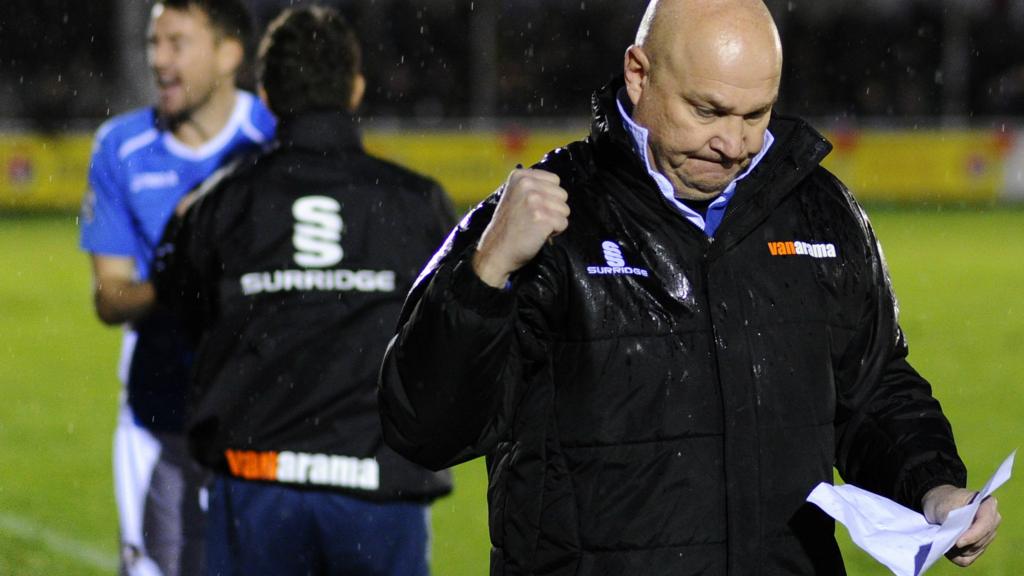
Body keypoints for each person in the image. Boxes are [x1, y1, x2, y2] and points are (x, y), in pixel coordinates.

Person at [378, 0, 1001, 574]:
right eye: (707, 110)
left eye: (756, 115)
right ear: (639, 75)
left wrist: (933, 484)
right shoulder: (541, 219)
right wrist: (485, 275)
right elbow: (425, 429)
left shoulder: (819, 212)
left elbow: (874, 391)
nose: (732, 145)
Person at [151, 6, 455, 575]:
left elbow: (185, 314)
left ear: (265, 94)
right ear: (356, 89)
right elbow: (448, 335)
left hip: (257, 481)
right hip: (376, 490)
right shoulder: (417, 203)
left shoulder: (222, 202)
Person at [78, 0, 275, 573]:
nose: (159, 60)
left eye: (177, 43)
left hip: (259, 411)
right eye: (152, 43)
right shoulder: (121, 147)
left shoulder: (273, 139)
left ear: (228, 53)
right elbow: (110, 297)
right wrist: (178, 285)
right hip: (157, 409)